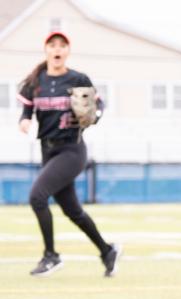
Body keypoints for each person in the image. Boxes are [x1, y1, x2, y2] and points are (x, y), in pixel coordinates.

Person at [17, 31, 120, 277]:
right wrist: (24, 122)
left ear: (67, 51)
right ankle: (107, 251)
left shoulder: (77, 78)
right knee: (72, 210)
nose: (57, 49)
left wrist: (93, 115)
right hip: (48, 150)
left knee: (37, 197)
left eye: (62, 45)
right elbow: (26, 111)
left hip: (71, 150)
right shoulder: (35, 82)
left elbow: (98, 107)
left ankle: (51, 255)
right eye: (52, 45)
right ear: (46, 50)